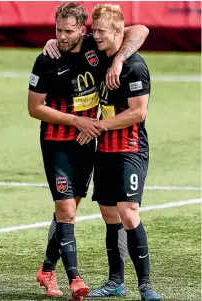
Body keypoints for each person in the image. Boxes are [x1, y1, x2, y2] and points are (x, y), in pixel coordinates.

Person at [28, 2, 149, 300]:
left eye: (69, 31)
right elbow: (34, 108)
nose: (61, 36)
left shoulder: (95, 52)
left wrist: (119, 59)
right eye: (57, 30)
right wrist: (79, 121)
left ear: (83, 31)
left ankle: (47, 268)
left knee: (71, 211)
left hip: (89, 142)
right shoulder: (47, 58)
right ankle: (73, 279)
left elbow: (140, 29)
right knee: (66, 210)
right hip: (59, 142)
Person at [76, 4, 164, 301]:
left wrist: (98, 125)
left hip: (130, 148)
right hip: (106, 151)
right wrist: (53, 41)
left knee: (129, 214)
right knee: (110, 216)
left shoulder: (134, 66)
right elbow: (72, 40)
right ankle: (116, 282)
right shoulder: (98, 51)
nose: (94, 36)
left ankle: (145, 286)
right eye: (93, 30)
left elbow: (138, 113)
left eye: (100, 32)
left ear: (117, 32)